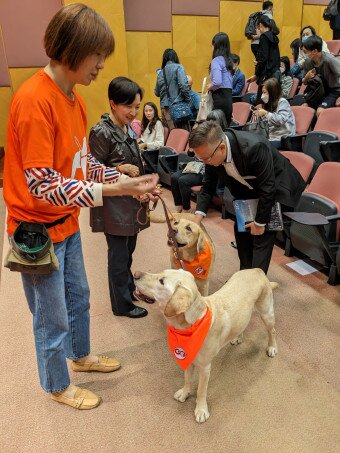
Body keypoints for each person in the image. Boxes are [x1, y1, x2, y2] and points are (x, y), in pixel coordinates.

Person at [3, 4, 159, 411]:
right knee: (50, 314)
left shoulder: (74, 99)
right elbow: (42, 184)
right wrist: (111, 190)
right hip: (36, 229)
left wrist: (119, 180)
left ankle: (81, 355)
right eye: (98, 56)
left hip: (66, 222)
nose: (101, 66)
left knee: (78, 297)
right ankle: (56, 384)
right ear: (75, 49)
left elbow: (81, 163)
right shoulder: (35, 100)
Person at [190, 121, 305, 274]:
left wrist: (259, 222)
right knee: (242, 231)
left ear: (222, 148)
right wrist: (197, 218)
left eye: (206, 158)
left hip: (278, 187)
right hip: (249, 189)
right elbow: (207, 186)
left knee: (262, 234)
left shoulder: (254, 147)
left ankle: (256, 283)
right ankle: (244, 276)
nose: (205, 163)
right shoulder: (211, 155)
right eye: (200, 159)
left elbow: (268, 188)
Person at [89, 77, 152, 319]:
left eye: (137, 106)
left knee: (128, 252)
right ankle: (122, 305)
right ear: (113, 104)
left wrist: (145, 188)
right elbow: (90, 171)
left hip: (130, 203)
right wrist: (120, 169)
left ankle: (127, 290)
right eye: (130, 107)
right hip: (113, 205)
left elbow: (137, 165)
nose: (135, 112)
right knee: (118, 256)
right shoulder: (100, 132)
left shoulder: (127, 128)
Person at [170, 110, 228, 213]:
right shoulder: (203, 134)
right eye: (208, 120)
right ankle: (178, 207)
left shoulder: (222, 137)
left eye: (213, 121)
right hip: (195, 166)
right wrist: (191, 149)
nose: (209, 124)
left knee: (183, 181)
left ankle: (186, 209)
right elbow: (190, 154)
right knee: (174, 177)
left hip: (205, 170)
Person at [302, 35, 340, 115]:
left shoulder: (329, 60)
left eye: (306, 51)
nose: (304, 53)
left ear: (315, 51)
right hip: (318, 90)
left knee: (320, 112)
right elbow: (304, 82)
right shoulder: (307, 62)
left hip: (334, 91)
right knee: (304, 108)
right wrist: (306, 77)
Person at [154, 48, 191, 129]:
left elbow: (156, 93)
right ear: (175, 57)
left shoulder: (160, 73)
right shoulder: (178, 67)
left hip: (165, 109)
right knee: (183, 135)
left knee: (171, 137)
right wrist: (188, 100)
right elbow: (184, 86)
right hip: (178, 107)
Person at [248, 14, 281, 105]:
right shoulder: (274, 37)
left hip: (268, 75)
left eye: (258, 27)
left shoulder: (264, 37)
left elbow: (263, 59)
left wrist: (257, 73)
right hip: (276, 73)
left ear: (261, 25)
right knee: (271, 103)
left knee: (261, 103)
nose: (257, 30)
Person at [255, 77, 296, 148]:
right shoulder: (268, 104)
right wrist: (259, 116)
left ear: (272, 93)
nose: (262, 96)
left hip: (283, 138)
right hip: (270, 137)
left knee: (260, 147)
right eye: (262, 93)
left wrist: (266, 114)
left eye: (264, 92)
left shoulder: (282, 102)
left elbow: (281, 120)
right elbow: (267, 125)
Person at [209, 32, 234, 125]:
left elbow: (217, 82)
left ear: (216, 46)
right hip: (228, 99)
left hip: (219, 98)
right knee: (225, 129)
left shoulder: (216, 60)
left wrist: (209, 87)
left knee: (216, 131)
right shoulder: (228, 60)